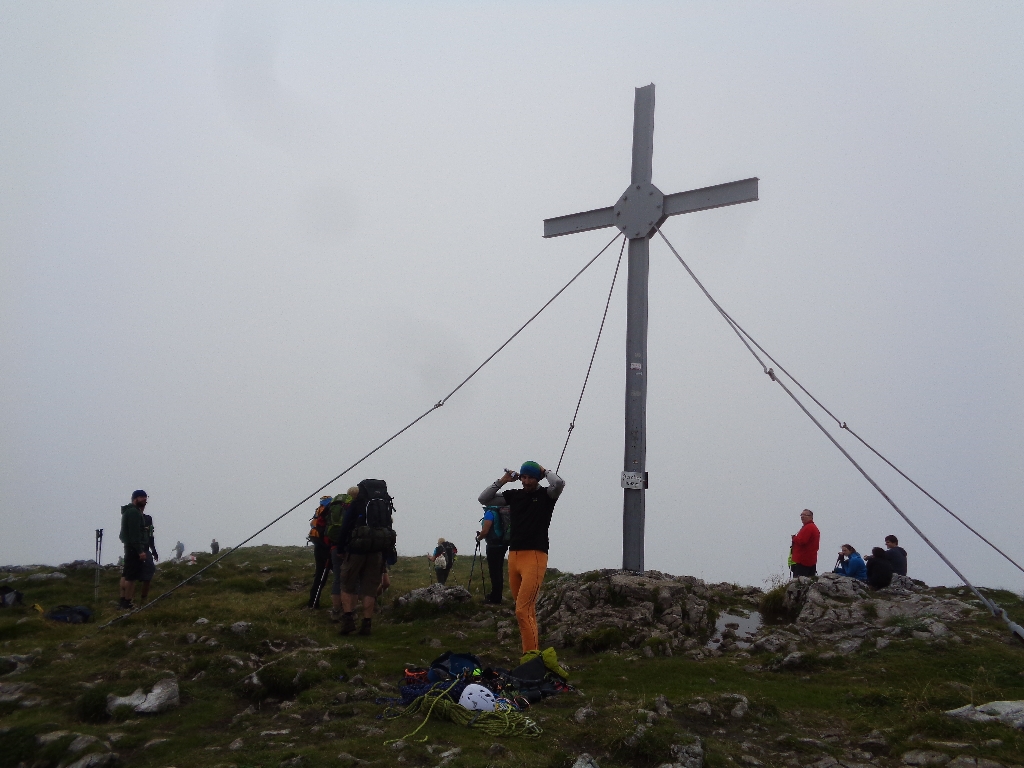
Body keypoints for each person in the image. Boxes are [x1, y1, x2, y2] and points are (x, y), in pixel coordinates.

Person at [478, 461, 565, 654]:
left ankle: (531, 657)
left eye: (530, 477)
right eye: (524, 477)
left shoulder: (546, 495)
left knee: (522, 610)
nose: (526, 481)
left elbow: (559, 484)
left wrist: (544, 470)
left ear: (538, 478)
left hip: (535, 556)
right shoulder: (514, 496)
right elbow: (484, 499)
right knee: (526, 611)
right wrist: (503, 480)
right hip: (514, 556)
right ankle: (531, 654)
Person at [335, 480, 395, 636]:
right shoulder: (384, 506)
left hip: (355, 551)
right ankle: (366, 624)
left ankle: (348, 620)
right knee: (370, 589)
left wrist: (341, 549)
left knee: (347, 585)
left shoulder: (357, 504)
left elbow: (345, 527)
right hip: (376, 552)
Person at [326, 488, 359, 621]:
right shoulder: (356, 506)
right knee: (354, 580)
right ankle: (352, 611)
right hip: (352, 548)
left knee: (338, 579)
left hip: (334, 546)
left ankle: (336, 611)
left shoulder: (335, 505)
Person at [118, 490, 150, 610]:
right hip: (134, 548)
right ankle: (127, 602)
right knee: (131, 577)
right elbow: (134, 533)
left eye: (146, 497)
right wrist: (140, 550)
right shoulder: (134, 513)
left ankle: (123, 601)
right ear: (135, 499)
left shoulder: (130, 511)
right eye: (142, 497)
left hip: (129, 547)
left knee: (126, 574)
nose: (145, 499)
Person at [476, 504, 511, 604]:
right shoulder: (499, 512)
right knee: (498, 571)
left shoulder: (490, 513)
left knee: (494, 572)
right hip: (502, 544)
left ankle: (495, 598)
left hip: (493, 545)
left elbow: (485, 531)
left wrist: (479, 538)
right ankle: (497, 595)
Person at [306, 496, 333, 610]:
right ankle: (342, 605)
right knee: (339, 576)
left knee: (319, 575)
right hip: (329, 547)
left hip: (318, 546)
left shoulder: (318, 511)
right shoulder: (331, 512)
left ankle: (312, 602)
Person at [138, 510, 160, 603]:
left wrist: (154, 551)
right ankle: (126, 601)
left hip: (145, 549)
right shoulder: (132, 518)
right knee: (129, 575)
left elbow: (150, 535)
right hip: (134, 550)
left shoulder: (148, 518)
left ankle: (143, 599)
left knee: (150, 570)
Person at [790, 509, 820, 578]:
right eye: (801, 515)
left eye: (805, 515)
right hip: (810, 560)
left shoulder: (808, 527)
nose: (802, 517)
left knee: (799, 584)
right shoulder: (812, 527)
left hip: (803, 561)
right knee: (809, 583)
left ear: (811, 517)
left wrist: (794, 538)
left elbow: (802, 541)